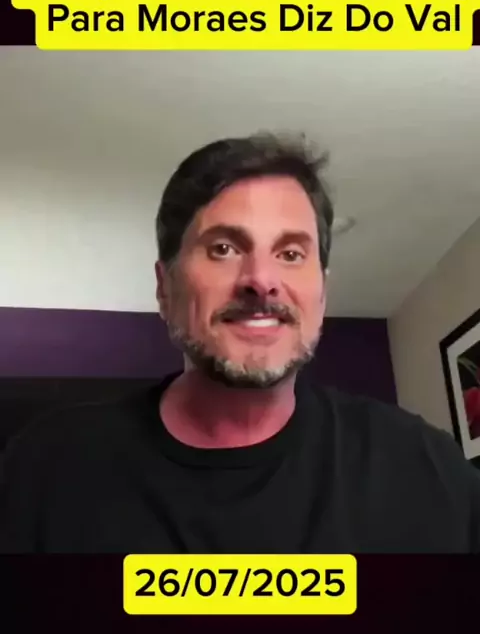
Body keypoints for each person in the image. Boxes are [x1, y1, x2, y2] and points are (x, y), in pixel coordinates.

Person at [1, 132, 480, 554]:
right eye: (224, 248)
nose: (261, 280)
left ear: (322, 292)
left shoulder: (424, 469)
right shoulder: (45, 470)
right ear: (165, 288)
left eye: (290, 253)